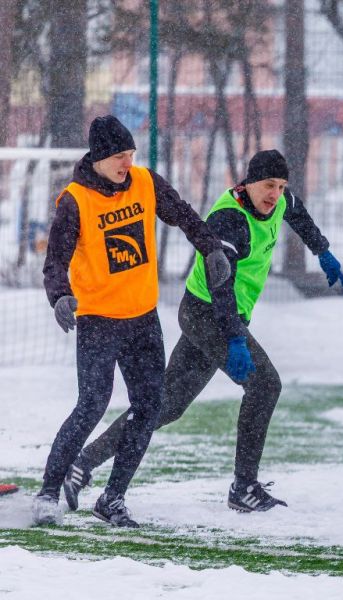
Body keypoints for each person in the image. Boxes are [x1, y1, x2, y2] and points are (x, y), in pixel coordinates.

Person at [64, 149, 343, 513]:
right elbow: (221, 287)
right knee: (265, 385)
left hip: (222, 316)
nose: (274, 193)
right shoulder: (230, 219)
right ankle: (243, 488)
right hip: (207, 312)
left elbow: (298, 213)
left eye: (280, 186)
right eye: (267, 185)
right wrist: (235, 338)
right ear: (248, 182)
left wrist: (322, 251)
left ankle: (83, 464)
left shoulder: (279, 201)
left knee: (165, 406)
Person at [36, 115, 229, 527]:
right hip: (98, 323)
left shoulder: (144, 182)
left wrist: (210, 247)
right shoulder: (75, 200)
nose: (127, 162)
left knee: (149, 406)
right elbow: (56, 261)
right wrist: (59, 297)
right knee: (91, 405)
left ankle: (113, 498)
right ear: (100, 158)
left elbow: (183, 214)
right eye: (119, 156)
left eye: (130, 154)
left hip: (143, 320)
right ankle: (49, 491)